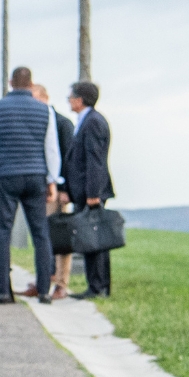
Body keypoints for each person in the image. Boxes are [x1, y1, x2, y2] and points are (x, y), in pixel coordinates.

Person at [0, 67, 64, 305]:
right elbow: (51, 147)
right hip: (36, 175)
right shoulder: (45, 110)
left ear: (10, 82)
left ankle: (2, 290)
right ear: (31, 83)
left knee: (2, 231)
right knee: (40, 233)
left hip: (6, 175)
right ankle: (45, 290)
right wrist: (52, 180)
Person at [22, 85, 76, 300]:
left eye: (34, 99)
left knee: (61, 236)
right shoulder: (36, 122)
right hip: (40, 188)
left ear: (44, 98)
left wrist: (65, 189)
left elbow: (69, 160)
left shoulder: (63, 123)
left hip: (58, 190)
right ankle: (44, 278)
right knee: (42, 236)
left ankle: (62, 284)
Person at [64, 81, 114, 300]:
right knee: (90, 239)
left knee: (96, 240)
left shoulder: (92, 122)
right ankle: (96, 284)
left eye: (71, 96)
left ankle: (98, 286)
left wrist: (93, 194)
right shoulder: (87, 121)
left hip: (90, 192)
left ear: (80, 99)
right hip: (84, 191)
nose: (68, 99)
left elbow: (95, 162)